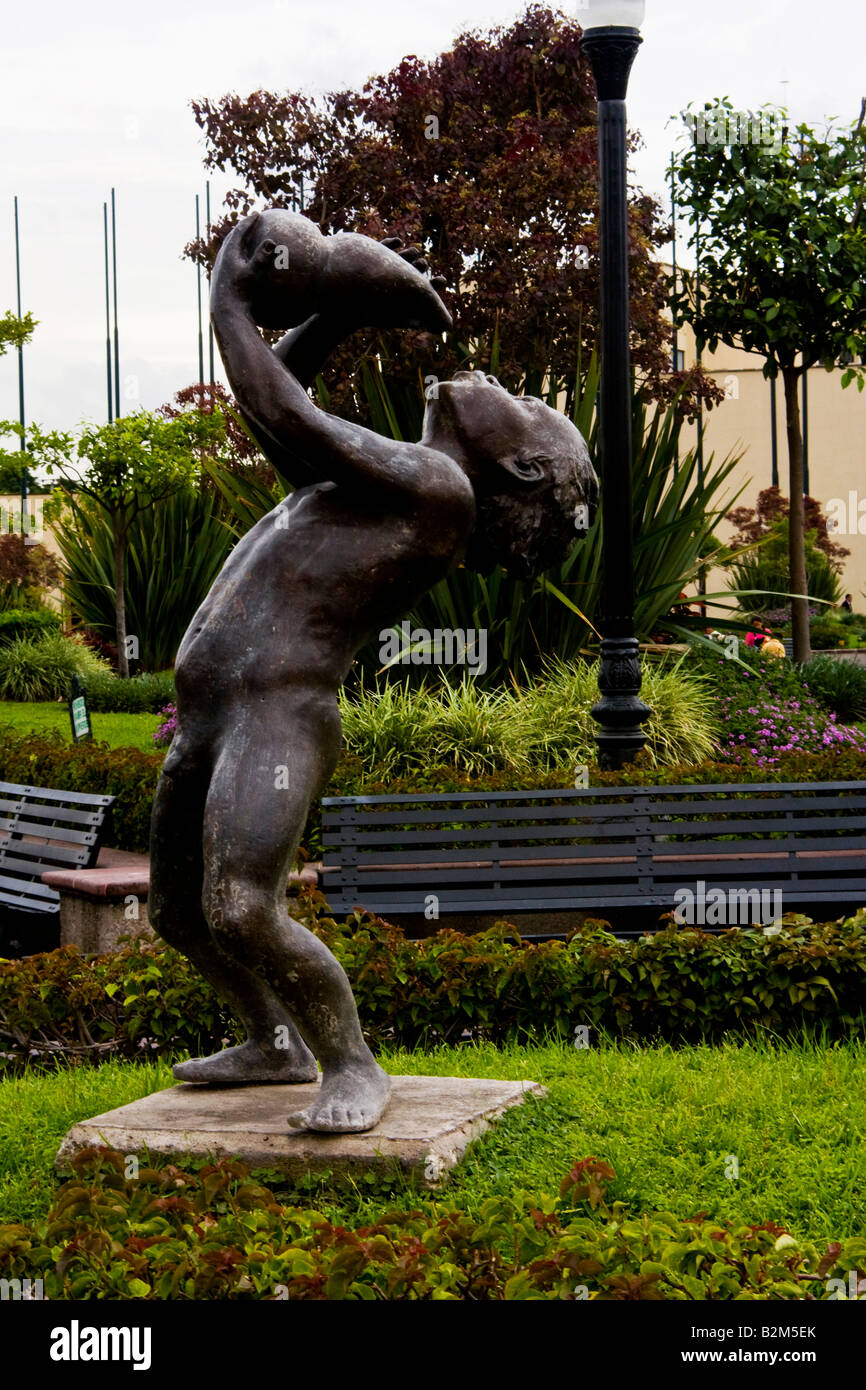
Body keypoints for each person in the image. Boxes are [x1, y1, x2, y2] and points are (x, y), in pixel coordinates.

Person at [148, 210, 599, 1133]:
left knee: (240, 908)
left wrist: (230, 299)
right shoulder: (363, 490)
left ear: (516, 465)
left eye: (523, 400)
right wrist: (343, 310)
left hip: (278, 718)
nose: (491, 381)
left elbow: (284, 408)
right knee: (175, 913)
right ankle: (270, 1041)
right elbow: (280, 410)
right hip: (210, 713)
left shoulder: (439, 492)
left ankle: (351, 1065)